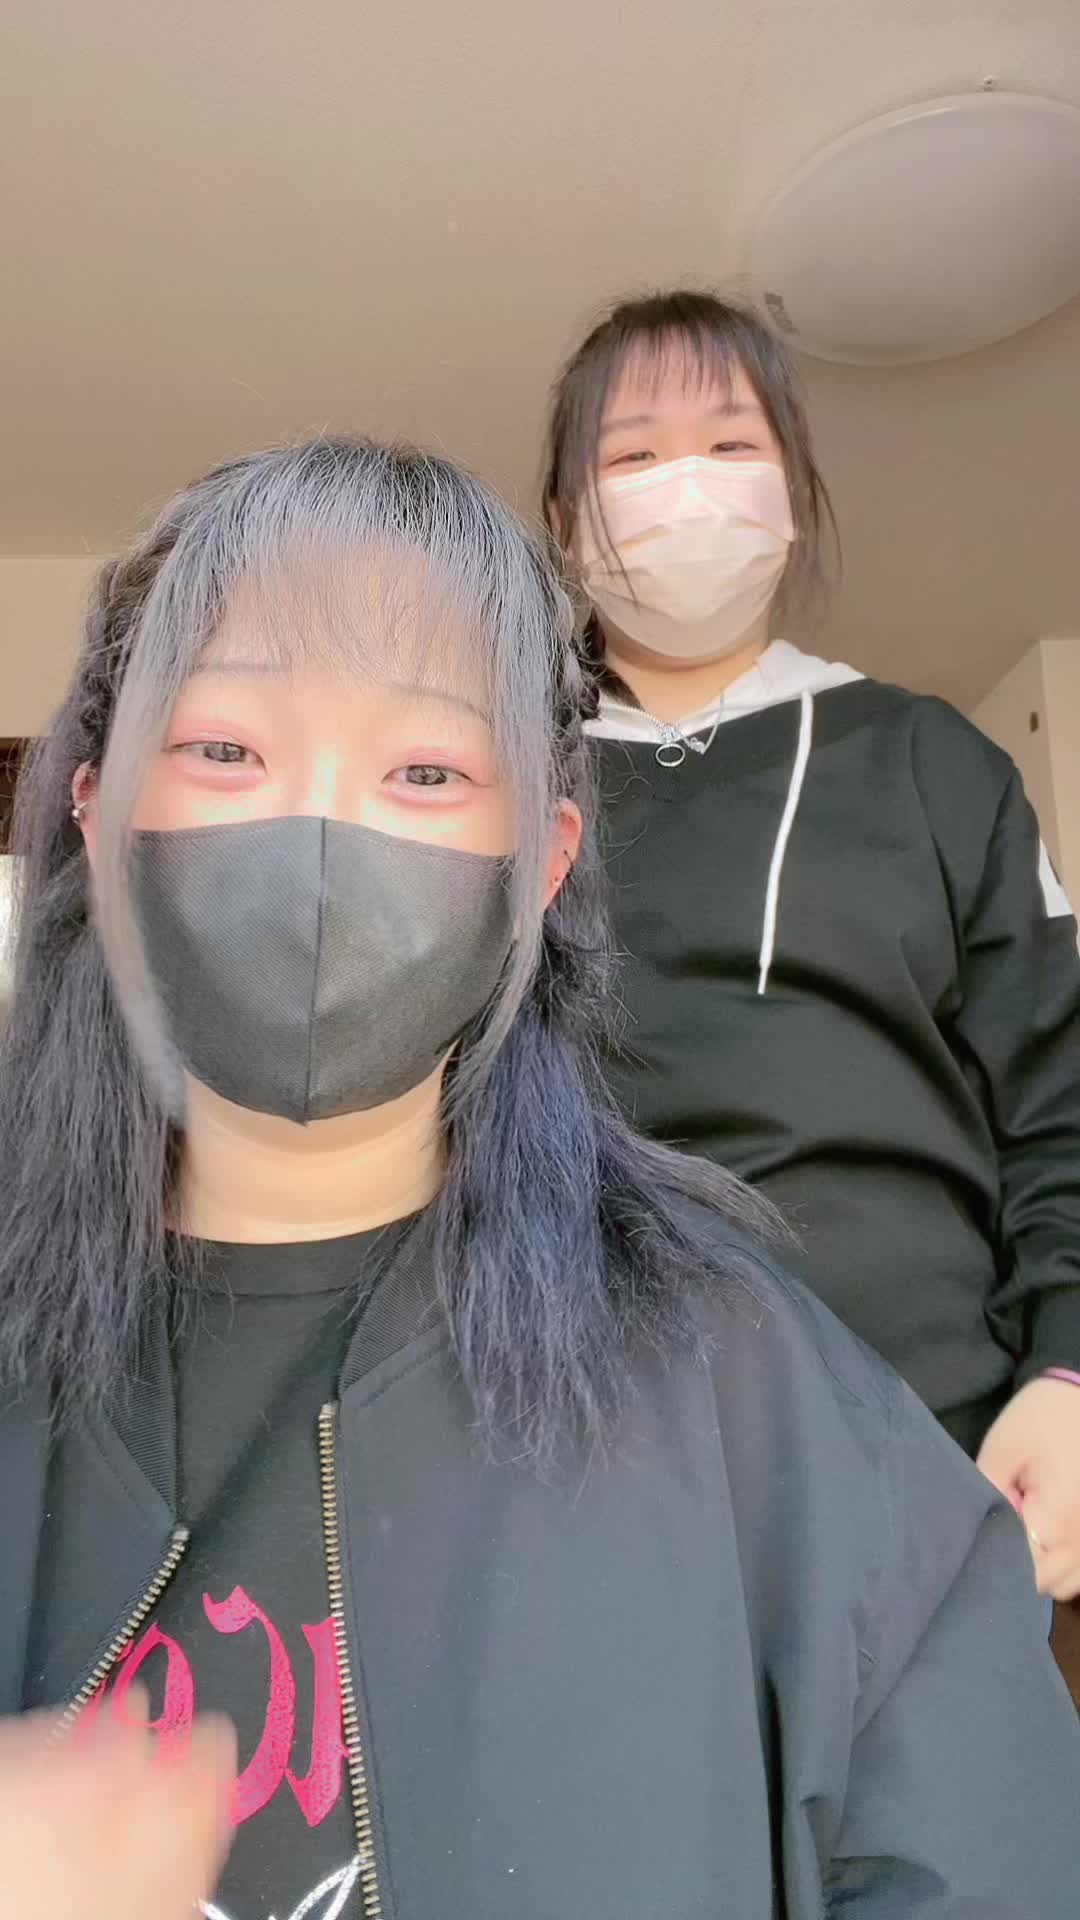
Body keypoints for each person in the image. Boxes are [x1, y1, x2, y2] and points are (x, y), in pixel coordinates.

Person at [1, 436, 1077, 1920]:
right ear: (94, 806)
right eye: (225, 750)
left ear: (546, 862)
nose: (324, 834)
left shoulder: (751, 1387)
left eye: (428, 771)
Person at [543, 290, 1080, 1608]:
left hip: (938, 1466)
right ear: (563, 523)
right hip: (575, 1482)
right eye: (632, 454)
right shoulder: (491, 794)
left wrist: (1070, 1372)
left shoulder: (935, 761)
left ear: (792, 494)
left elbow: (1059, 1102)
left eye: (732, 444)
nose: (687, 483)